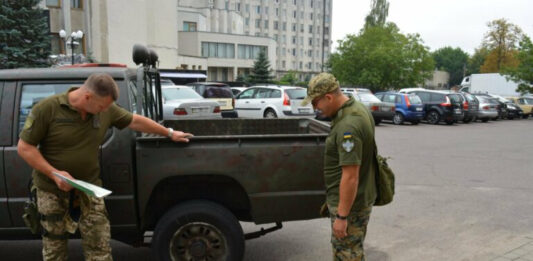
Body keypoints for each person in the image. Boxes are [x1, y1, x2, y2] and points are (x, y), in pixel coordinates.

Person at [17, 73, 192, 261]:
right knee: (54, 249)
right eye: (102, 106)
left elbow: (134, 120)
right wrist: (54, 174)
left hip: (88, 187)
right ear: (87, 97)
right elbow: (25, 147)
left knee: (99, 246)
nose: (105, 110)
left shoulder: (105, 109)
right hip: (50, 189)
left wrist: (169, 133)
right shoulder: (47, 109)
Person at [302, 73, 377, 261]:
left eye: (315, 102)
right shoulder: (357, 108)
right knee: (353, 251)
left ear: (329, 97)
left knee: (346, 254)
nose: (314, 108)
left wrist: (342, 217)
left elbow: (351, 176)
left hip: (351, 206)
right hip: (357, 201)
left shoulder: (348, 127)